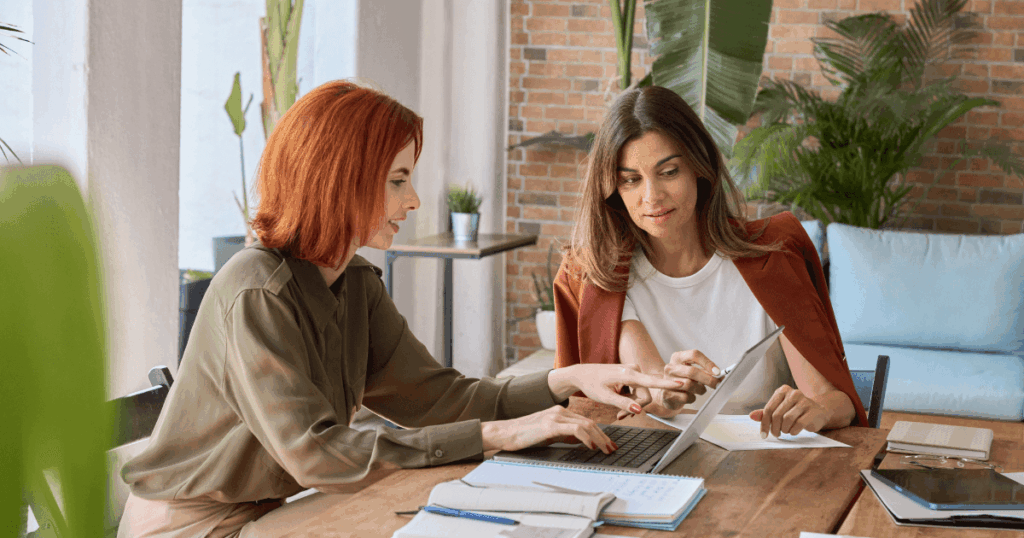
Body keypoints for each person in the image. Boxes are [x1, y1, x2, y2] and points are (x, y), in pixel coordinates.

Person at [117, 80, 686, 538]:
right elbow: (319, 456)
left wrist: (569, 379)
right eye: (397, 181)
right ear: (338, 183)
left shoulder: (355, 282)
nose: (413, 200)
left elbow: (442, 400)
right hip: (194, 525)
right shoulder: (256, 292)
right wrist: (496, 435)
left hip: (266, 511)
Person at [553, 85, 868, 439]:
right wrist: (667, 395)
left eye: (669, 172)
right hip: (660, 466)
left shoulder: (772, 256)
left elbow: (834, 400)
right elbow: (654, 392)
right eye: (631, 180)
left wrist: (816, 411)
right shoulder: (600, 277)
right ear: (612, 188)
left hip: (770, 466)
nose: (651, 196)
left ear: (699, 168)